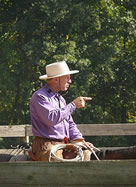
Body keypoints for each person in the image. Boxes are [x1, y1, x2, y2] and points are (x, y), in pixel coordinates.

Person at [30, 60, 136, 161]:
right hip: (45, 145)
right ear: (56, 79)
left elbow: (69, 123)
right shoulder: (40, 97)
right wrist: (73, 105)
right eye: (67, 78)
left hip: (62, 144)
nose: (70, 81)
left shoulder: (60, 99)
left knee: (88, 153)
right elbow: (51, 119)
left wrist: (79, 140)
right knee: (58, 162)